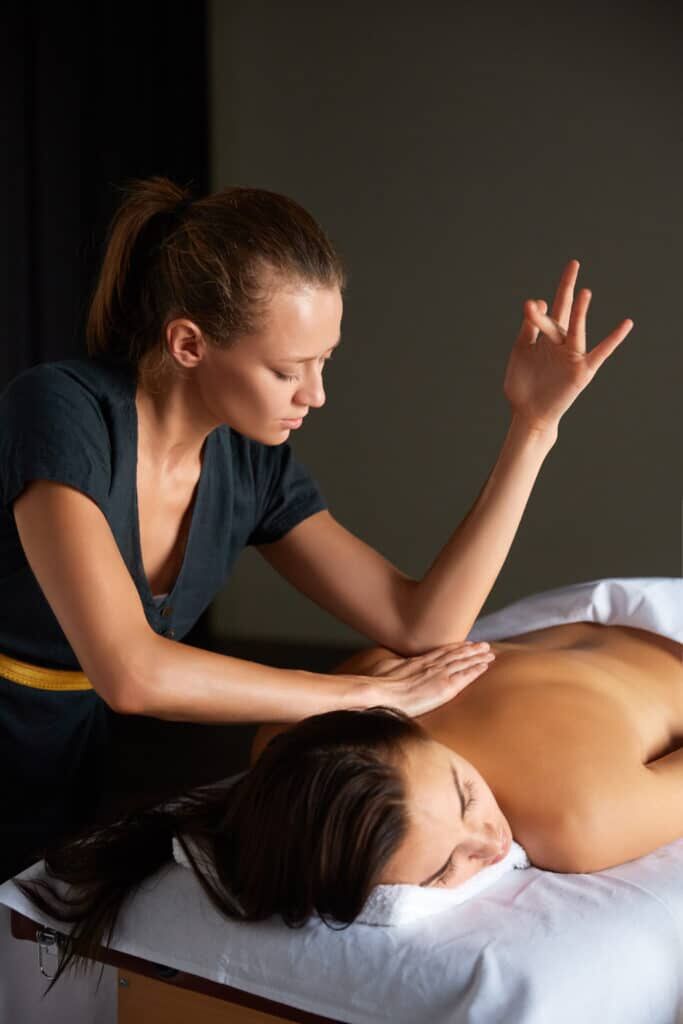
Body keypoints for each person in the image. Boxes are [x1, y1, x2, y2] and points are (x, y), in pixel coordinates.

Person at [0, 173, 631, 883]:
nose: (317, 394)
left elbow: (420, 624)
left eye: (324, 361)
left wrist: (533, 427)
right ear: (187, 343)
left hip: (69, 752)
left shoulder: (251, 465)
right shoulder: (61, 414)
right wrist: (362, 695)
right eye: (286, 370)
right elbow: (131, 672)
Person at [14, 591, 682, 994]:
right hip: (586, 650)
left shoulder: (580, 816)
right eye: (443, 871)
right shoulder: (289, 741)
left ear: (396, 720)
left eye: (465, 795)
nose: (489, 841)